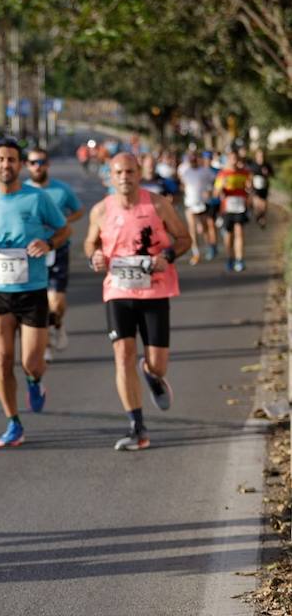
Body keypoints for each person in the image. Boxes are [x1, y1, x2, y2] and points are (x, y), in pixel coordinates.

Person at [0, 138, 69, 447]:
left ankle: (35, 381)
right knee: (2, 359)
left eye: (11, 159)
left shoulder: (37, 199)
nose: (6, 164)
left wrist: (48, 243)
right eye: (0, 160)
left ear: (20, 165)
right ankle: (13, 422)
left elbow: (63, 230)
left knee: (31, 362)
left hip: (33, 290)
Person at [84, 153, 191, 450]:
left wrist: (166, 256)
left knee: (157, 364)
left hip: (155, 291)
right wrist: (94, 256)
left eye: (129, 171)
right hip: (118, 291)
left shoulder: (157, 205)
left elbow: (184, 239)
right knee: (123, 355)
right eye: (118, 172)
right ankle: (137, 426)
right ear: (110, 175)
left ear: (139, 173)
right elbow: (90, 243)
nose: (124, 177)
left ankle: (151, 374)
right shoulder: (101, 210)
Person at [23, 148, 84, 358]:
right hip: (32, 252)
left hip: (58, 247)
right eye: (32, 162)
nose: (37, 166)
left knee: (56, 303)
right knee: (38, 301)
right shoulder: (21, 191)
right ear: (27, 166)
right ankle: (46, 343)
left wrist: (64, 222)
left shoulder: (62, 189)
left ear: (48, 164)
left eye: (41, 162)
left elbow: (78, 210)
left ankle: (57, 324)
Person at [214, 148, 253, 272]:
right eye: (231, 159)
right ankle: (229, 257)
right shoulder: (222, 174)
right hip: (227, 208)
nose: (234, 161)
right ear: (228, 160)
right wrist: (222, 186)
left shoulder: (245, 173)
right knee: (228, 236)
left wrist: (249, 188)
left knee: (239, 232)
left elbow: (250, 190)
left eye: (236, 159)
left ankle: (240, 260)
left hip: (240, 208)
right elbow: (215, 194)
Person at [177, 149, 217, 264]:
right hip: (190, 203)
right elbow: (182, 184)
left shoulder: (205, 171)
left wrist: (209, 191)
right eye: (191, 159)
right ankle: (196, 253)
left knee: (204, 228)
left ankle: (210, 246)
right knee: (192, 230)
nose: (192, 160)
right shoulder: (185, 171)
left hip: (202, 204)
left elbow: (215, 181)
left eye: (194, 158)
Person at [251, 148, 274, 228]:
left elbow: (272, 175)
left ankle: (261, 218)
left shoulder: (267, 165)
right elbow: (249, 175)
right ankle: (259, 217)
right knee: (257, 205)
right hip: (255, 189)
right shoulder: (253, 165)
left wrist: (267, 174)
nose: (261, 157)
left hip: (264, 188)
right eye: (259, 155)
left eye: (262, 155)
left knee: (264, 206)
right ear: (256, 156)